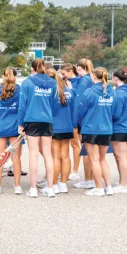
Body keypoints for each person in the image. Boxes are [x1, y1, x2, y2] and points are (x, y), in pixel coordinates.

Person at [17, 59, 57, 198]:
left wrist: (20, 123)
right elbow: (53, 103)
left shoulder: (27, 82)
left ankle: (33, 189)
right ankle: (50, 188)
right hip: (47, 120)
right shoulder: (52, 83)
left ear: (32, 69)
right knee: (47, 154)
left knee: (33, 154)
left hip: (32, 120)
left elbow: (22, 105)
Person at [75, 67, 115, 197]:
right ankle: (108, 187)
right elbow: (113, 110)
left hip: (91, 128)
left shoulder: (89, 92)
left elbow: (81, 111)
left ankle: (98, 187)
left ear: (93, 77)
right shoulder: (111, 91)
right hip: (106, 128)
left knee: (94, 160)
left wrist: (80, 122)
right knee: (102, 159)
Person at [0, 68, 24, 195]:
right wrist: (23, 125)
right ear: (15, 77)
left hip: (0, 127)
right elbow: (22, 109)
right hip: (15, 128)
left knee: (0, 158)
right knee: (16, 158)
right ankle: (17, 186)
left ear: (3, 77)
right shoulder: (19, 89)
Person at [110, 69, 127, 193]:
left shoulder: (119, 93)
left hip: (120, 127)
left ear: (116, 78)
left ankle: (123, 185)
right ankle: (125, 180)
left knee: (121, 157)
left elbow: (116, 113)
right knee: (125, 155)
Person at [48, 66, 74, 194]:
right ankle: (63, 184)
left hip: (54, 126)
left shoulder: (51, 92)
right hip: (67, 126)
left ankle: (53, 185)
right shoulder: (68, 90)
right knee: (65, 156)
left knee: (55, 157)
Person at [72, 59, 96, 189]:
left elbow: (79, 102)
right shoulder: (92, 78)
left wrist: (75, 121)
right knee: (92, 151)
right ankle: (91, 178)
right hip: (93, 117)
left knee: (86, 150)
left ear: (80, 68)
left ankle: (88, 179)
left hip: (85, 119)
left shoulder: (83, 80)